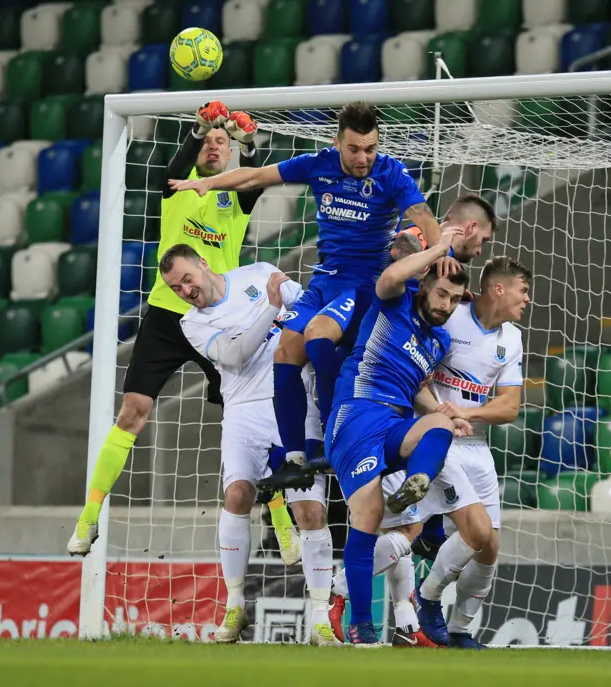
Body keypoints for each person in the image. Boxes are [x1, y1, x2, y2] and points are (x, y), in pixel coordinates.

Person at [68, 102, 300, 564]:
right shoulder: (177, 189)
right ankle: (88, 516)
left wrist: (249, 141)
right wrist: (200, 128)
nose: (215, 147)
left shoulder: (234, 194)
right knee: (132, 410)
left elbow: (255, 176)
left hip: (222, 319)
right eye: (207, 142)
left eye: (222, 141)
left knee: (253, 415)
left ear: (231, 152)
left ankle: (280, 521)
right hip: (166, 318)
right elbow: (174, 165)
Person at [168, 101, 443, 490]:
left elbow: (425, 219)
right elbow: (255, 177)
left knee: (316, 334)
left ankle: (335, 436)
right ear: (337, 142)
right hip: (324, 281)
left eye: (370, 149)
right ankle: (296, 458)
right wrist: (207, 182)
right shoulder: (319, 163)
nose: (363, 158)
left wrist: (439, 260)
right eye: (354, 149)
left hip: (364, 285)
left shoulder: (391, 173)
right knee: (285, 350)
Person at [159, 243, 339, 646]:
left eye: (187, 278)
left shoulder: (258, 273)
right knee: (238, 494)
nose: (186, 290)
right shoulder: (192, 323)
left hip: (293, 399)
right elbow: (237, 356)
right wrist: (272, 310)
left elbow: (307, 309)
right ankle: (235, 605)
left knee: (310, 511)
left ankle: (321, 617)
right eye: (175, 287)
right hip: (242, 409)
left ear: (203, 265)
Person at [325, 225, 471, 646]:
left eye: (455, 299)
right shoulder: (394, 301)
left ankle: (418, 481)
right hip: (355, 416)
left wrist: (445, 413)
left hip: (395, 422)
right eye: (442, 293)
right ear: (424, 285)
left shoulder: (438, 340)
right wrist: (441, 246)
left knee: (441, 424)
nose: (446, 305)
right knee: (368, 518)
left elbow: (419, 389)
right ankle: (362, 625)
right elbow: (390, 278)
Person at [407, 255, 531, 649]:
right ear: (499, 288)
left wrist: (468, 412)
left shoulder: (510, 337)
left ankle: (460, 629)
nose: (527, 300)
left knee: (490, 545)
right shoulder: (450, 314)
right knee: (467, 532)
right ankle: (423, 598)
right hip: (436, 437)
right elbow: (414, 376)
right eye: (523, 291)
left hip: (476, 444)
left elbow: (510, 407)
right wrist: (444, 415)